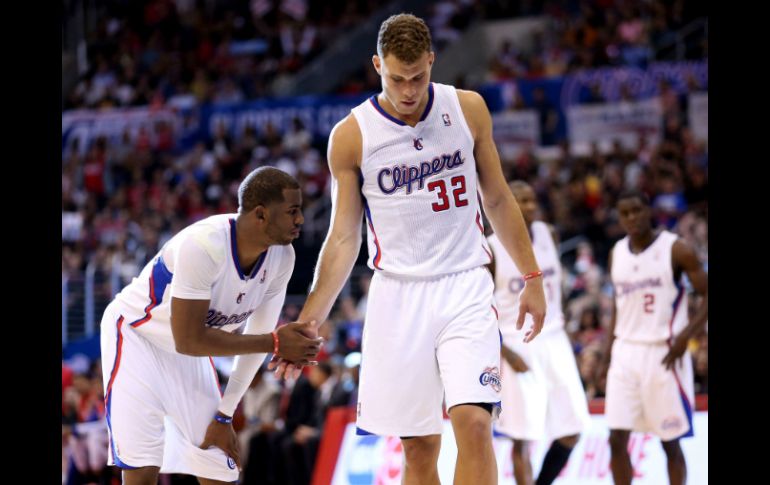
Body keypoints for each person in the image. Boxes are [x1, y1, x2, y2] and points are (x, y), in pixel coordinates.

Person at [271, 13, 546, 485]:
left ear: (432, 61)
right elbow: (344, 237)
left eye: (418, 77)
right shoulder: (352, 136)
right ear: (378, 65)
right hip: (398, 295)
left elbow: (498, 199)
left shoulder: (468, 109)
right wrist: (310, 318)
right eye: (397, 79)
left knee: (475, 426)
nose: (409, 90)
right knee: (419, 449)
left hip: (465, 285)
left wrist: (531, 277)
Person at [99, 166, 323, 484]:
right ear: (261, 214)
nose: (300, 219)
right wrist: (274, 342)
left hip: (188, 349)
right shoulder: (204, 245)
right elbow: (190, 339)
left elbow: (260, 337)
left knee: (217, 461)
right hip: (137, 335)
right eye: (292, 211)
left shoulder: (282, 257)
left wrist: (225, 414)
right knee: (142, 464)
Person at [601, 190, 708, 485]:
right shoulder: (616, 253)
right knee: (615, 438)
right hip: (625, 353)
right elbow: (619, 309)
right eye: (625, 213)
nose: (631, 218)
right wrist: (606, 355)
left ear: (649, 211)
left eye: (636, 210)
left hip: (663, 353)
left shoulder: (676, 249)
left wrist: (686, 336)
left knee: (669, 442)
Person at [489, 181, 590, 485]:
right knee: (522, 438)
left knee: (572, 428)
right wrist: (505, 352)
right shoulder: (492, 247)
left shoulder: (549, 234)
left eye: (532, 199)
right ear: (508, 203)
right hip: (516, 342)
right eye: (521, 200)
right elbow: (479, 310)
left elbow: (555, 290)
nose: (528, 206)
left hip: (555, 338)